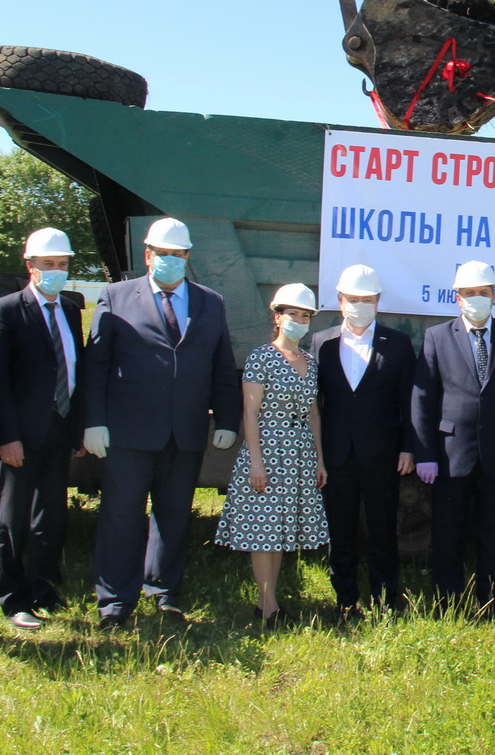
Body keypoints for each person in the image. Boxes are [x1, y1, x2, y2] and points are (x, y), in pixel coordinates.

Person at [81, 217, 242, 629]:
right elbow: (96, 365)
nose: (170, 260)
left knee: (173, 516)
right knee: (121, 514)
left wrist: (226, 418)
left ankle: (164, 592)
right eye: (162, 254)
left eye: (178, 254)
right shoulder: (116, 297)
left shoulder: (210, 301)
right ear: (148, 254)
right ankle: (115, 602)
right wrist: (93, 421)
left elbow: (222, 366)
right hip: (129, 431)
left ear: (188, 257)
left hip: (184, 430)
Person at [411, 260, 495, 618]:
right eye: (469, 293)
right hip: (450, 455)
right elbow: (423, 399)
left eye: (483, 293)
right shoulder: (437, 337)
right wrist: (425, 454)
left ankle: (493, 604)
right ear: (457, 298)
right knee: (447, 534)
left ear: (494, 296)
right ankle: (448, 604)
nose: (477, 299)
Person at [0, 227, 84, 630]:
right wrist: (7, 436)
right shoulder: (5, 310)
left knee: (51, 514)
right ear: (30, 266)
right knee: (12, 516)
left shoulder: (71, 310)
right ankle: (13, 596)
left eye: (62, 264)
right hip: (20, 436)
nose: (56, 271)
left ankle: (44, 586)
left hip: (59, 429)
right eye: (48, 265)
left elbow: (73, 370)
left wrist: (75, 430)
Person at [306, 264, 417, 618]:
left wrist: (408, 446)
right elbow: (315, 402)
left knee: (383, 528)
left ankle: (386, 599)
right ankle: (345, 600)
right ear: (339, 301)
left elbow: (409, 399)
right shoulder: (321, 342)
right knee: (341, 529)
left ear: (378, 301)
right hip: (337, 455)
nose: (359, 305)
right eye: (352, 299)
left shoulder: (397, 344)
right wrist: (318, 454)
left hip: (382, 454)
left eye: (366, 299)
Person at [215, 284, 329, 625]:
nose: (299, 320)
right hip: (267, 453)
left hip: (299, 457)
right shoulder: (261, 357)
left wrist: (319, 459)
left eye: (305, 315)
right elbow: (250, 412)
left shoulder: (309, 361)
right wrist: (255, 461)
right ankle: (269, 608)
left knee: (279, 534)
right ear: (277, 318)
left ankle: (269, 603)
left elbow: (312, 413)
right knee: (263, 535)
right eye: (292, 314)